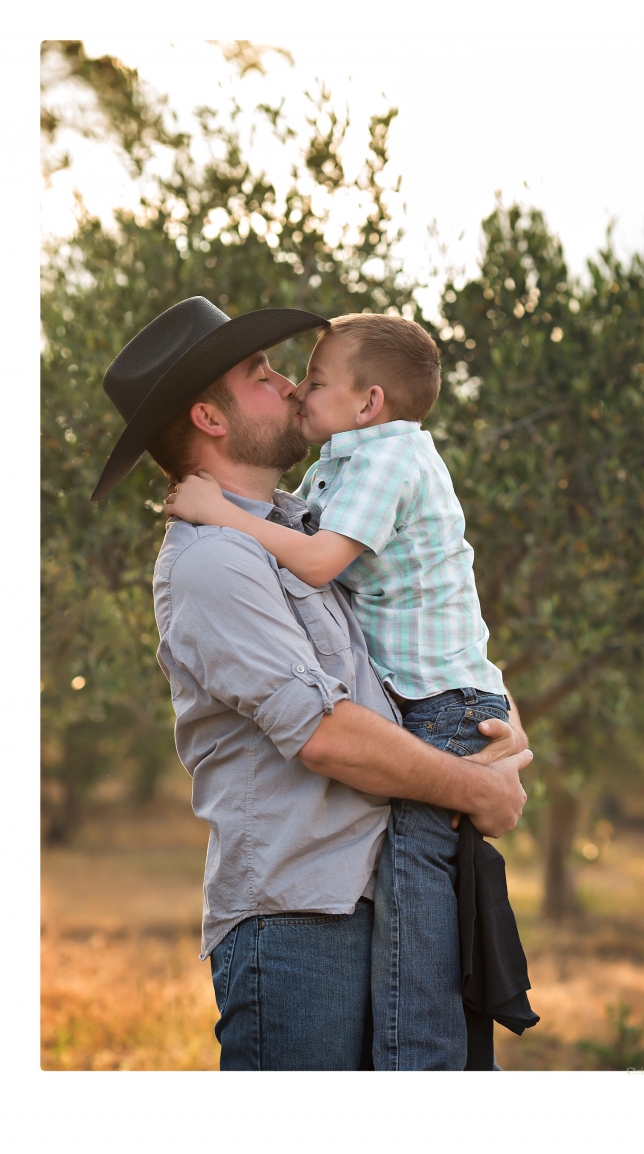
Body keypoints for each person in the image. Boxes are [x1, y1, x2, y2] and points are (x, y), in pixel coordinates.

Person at [91, 296, 532, 1071]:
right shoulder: (212, 562)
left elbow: (428, 624)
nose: (291, 385)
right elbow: (323, 734)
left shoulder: (311, 525)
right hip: (300, 917)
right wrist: (475, 788)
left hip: (383, 889)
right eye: (261, 374)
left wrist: (498, 722)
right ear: (210, 418)